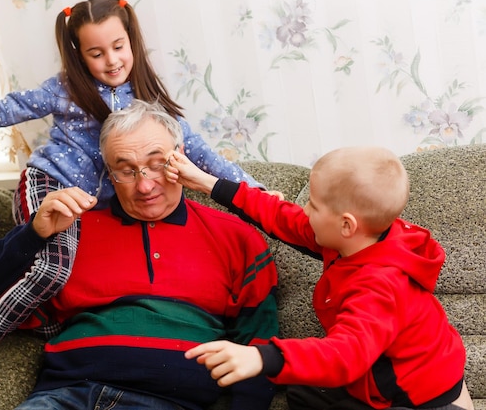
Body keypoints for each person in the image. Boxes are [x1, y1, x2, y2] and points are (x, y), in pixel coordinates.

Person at [0, 0, 263, 400]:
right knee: (53, 270)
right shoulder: (65, 91)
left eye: (119, 46)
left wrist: (255, 192)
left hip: (83, 203)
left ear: (132, 41)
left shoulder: (153, 109)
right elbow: (6, 108)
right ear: (78, 54)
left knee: (53, 308)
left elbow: (205, 155)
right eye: (96, 52)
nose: (112, 61)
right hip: (49, 184)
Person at [0, 99, 278, 409]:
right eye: (126, 171)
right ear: (109, 172)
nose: (144, 186)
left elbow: (258, 347)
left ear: (180, 158)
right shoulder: (72, 231)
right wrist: (34, 233)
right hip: (65, 397)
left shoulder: (237, 237)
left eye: (157, 164)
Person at [165, 146, 475, 410]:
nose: (303, 208)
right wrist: (208, 183)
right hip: (377, 368)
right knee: (302, 392)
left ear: (346, 225)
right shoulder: (356, 239)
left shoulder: (380, 286)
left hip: (416, 394)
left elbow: (345, 355)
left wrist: (262, 357)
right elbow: (279, 215)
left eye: (312, 204)